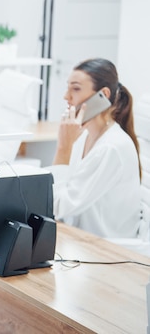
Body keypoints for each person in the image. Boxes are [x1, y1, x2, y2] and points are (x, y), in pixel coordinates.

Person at [47, 58, 142, 239]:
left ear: (103, 95)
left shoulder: (111, 148)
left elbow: (58, 207)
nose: (66, 96)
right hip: (78, 238)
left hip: (104, 251)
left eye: (75, 88)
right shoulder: (83, 136)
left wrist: (63, 148)